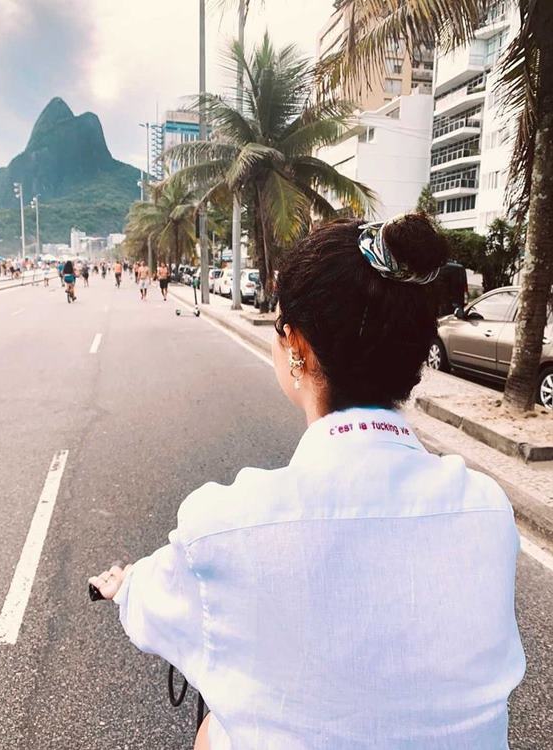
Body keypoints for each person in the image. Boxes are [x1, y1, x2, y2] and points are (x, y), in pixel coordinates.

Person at [90, 214, 525, 750]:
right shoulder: (488, 509)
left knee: (214, 731)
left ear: (295, 344)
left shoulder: (223, 526)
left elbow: (151, 603)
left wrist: (124, 585)